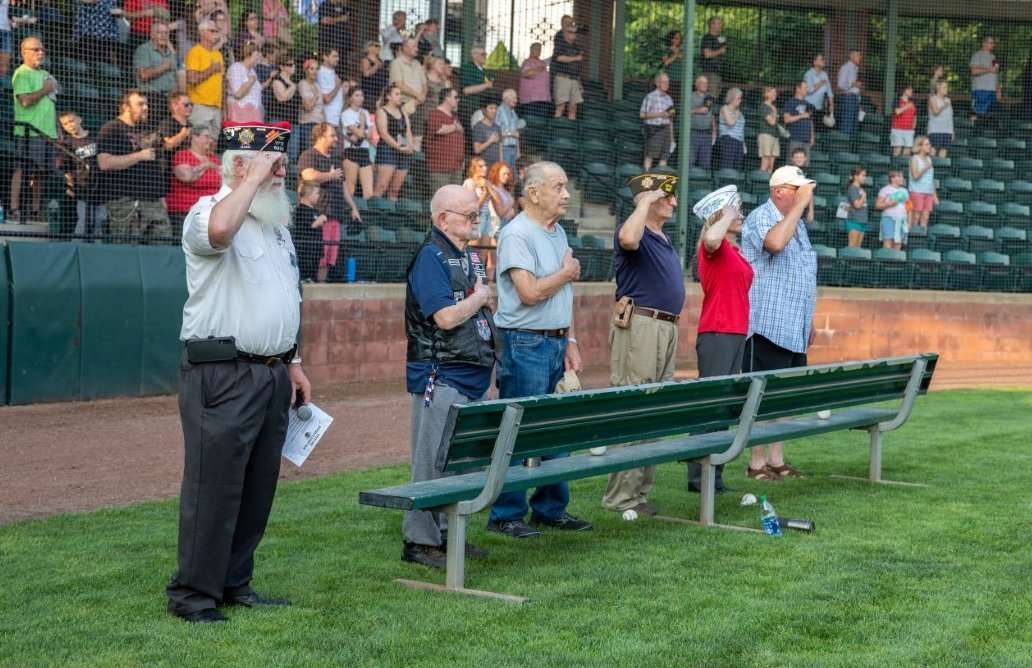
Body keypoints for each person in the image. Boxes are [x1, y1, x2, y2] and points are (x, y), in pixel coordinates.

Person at [167, 121, 310, 624]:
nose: (282, 171)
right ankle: (192, 595)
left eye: (282, 163)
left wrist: (292, 363)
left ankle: (233, 583)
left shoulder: (276, 227)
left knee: (256, 487)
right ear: (239, 166)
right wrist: (251, 180)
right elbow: (220, 233)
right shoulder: (207, 211)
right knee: (214, 487)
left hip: (270, 374)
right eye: (273, 163)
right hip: (222, 372)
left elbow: (286, 296)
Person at [487, 161, 592, 539]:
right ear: (534, 193)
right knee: (519, 428)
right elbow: (530, 293)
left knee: (557, 430)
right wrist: (567, 273)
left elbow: (563, 293)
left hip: (556, 339)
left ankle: (550, 509)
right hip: (526, 341)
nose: (566, 195)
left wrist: (572, 341)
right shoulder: (517, 234)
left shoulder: (558, 231)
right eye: (558, 187)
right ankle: (505, 514)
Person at [402, 184, 497, 568]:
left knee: (461, 461)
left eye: (477, 215)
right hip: (439, 374)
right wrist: (481, 297)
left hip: (473, 372)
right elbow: (445, 317)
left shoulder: (471, 257)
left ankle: (447, 535)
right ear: (443, 218)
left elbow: (483, 312)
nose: (476, 221)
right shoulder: (430, 256)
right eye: (469, 215)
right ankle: (419, 541)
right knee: (431, 461)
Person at [602, 173, 686, 514]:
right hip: (641, 325)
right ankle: (619, 497)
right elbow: (627, 237)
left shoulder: (662, 237)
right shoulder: (634, 229)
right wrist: (645, 201)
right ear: (647, 198)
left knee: (656, 411)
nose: (674, 202)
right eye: (666, 196)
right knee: (634, 406)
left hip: (665, 328)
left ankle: (639, 494)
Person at [741, 165, 817, 481]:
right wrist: (800, 206)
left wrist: (807, 319)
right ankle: (756, 464)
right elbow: (773, 244)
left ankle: (776, 460)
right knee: (761, 397)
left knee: (783, 399)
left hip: (793, 326)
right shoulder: (762, 215)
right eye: (796, 189)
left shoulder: (798, 225)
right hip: (767, 326)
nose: (803, 194)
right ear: (779, 191)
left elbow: (804, 273)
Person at [688, 189, 752, 493]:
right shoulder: (712, 245)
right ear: (719, 215)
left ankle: (714, 474)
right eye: (734, 211)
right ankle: (699, 477)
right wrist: (727, 216)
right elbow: (711, 239)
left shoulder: (733, 248)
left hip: (735, 332)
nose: (740, 215)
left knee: (724, 407)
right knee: (710, 405)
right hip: (718, 332)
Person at [97, 90, 172, 240]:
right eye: (140, 104)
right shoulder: (112, 128)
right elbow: (104, 163)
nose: (145, 108)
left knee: (162, 246)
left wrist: (161, 197)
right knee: (128, 250)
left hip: (154, 203)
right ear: (126, 107)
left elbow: (157, 166)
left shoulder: (149, 130)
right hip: (126, 202)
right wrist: (139, 155)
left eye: (146, 104)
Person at [299, 122, 361, 279]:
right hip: (318, 215)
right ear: (320, 137)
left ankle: (322, 287)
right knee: (319, 255)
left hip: (336, 215)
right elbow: (308, 176)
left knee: (329, 258)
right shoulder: (309, 155)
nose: (335, 139)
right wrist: (330, 175)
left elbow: (343, 185)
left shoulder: (336, 159)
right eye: (332, 135)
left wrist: (353, 207)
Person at [9, 36, 57, 223]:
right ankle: (14, 208)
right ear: (24, 52)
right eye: (35, 49)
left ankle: (36, 210)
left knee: (41, 173)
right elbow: (25, 100)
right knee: (23, 170)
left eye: (42, 49)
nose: (40, 53)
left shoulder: (45, 74)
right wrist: (45, 89)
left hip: (48, 133)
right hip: (29, 132)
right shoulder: (22, 73)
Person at [58, 111, 105, 240]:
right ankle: (77, 246)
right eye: (65, 124)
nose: (70, 125)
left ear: (79, 119)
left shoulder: (95, 137)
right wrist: (70, 187)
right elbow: (66, 170)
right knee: (84, 220)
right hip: (82, 187)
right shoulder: (67, 144)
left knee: (99, 219)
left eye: (71, 121)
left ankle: (97, 249)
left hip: (100, 185)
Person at [167, 125, 221, 233]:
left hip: (210, 214)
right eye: (206, 136)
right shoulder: (182, 155)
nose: (210, 140)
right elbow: (187, 177)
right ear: (194, 137)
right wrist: (205, 165)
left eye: (211, 137)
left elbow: (223, 179)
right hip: (186, 211)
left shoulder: (213, 158)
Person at [373, 84, 415, 200]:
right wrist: (399, 147)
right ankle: (373, 213)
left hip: (403, 151)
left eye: (400, 94)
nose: (400, 97)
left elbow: (408, 131)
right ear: (388, 96)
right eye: (397, 94)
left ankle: (391, 214)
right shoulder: (382, 111)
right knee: (382, 186)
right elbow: (383, 134)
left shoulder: (403, 112)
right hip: (388, 150)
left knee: (395, 189)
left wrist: (409, 146)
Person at [185, 19, 224, 135]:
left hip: (217, 107)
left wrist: (224, 108)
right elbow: (191, 79)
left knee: (212, 144)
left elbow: (222, 84)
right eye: (212, 31)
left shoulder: (218, 54)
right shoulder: (195, 52)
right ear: (202, 33)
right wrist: (211, 70)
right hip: (199, 106)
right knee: (199, 142)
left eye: (217, 31)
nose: (216, 34)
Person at [133, 20, 177, 121]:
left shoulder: (171, 53)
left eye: (166, 33)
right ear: (152, 35)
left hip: (170, 99)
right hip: (152, 98)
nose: (163, 36)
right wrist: (164, 67)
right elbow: (143, 75)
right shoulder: (144, 49)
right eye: (159, 33)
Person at [389, 37, 427, 151]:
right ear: (404, 48)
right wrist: (417, 95)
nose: (417, 49)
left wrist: (422, 96)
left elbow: (424, 84)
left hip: (419, 105)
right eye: (414, 46)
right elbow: (399, 84)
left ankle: (413, 164)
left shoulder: (417, 64)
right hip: (403, 106)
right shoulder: (397, 63)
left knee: (418, 138)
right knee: (403, 137)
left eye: (417, 46)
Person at [424, 87, 465, 193]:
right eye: (456, 97)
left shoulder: (455, 116)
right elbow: (438, 129)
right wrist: (455, 127)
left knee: (454, 201)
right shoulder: (435, 113)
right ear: (447, 98)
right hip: (440, 168)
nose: (458, 100)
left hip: (456, 167)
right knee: (442, 200)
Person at [340, 87, 374, 199]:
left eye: (362, 96)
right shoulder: (346, 114)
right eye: (357, 95)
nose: (360, 98)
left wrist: (360, 133)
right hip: (351, 152)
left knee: (369, 191)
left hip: (364, 151)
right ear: (350, 98)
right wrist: (363, 123)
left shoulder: (366, 112)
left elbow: (369, 135)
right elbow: (359, 134)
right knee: (350, 187)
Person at [266, 54, 300, 163]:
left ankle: (288, 178)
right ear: (281, 67)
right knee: (278, 154)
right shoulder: (277, 80)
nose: (293, 67)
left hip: (293, 122)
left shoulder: (293, 82)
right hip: (279, 121)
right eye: (289, 65)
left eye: (293, 64)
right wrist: (293, 87)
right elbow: (282, 97)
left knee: (292, 154)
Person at [640, 72, 675, 170]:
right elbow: (642, 115)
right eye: (664, 82)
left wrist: (672, 138)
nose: (666, 84)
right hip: (653, 129)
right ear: (657, 83)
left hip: (666, 129)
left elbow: (671, 118)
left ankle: (660, 179)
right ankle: (646, 176)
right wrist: (660, 114)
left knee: (665, 156)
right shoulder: (650, 97)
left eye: (667, 82)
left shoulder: (669, 99)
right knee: (650, 155)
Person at [551, 18, 584, 120]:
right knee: (561, 106)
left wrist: (579, 82)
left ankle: (570, 131)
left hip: (574, 79)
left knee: (573, 107)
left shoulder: (576, 46)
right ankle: (556, 129)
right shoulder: (560, 41)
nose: (573, 34)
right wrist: (575, 58)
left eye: (574, 32)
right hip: (563, 78)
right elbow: (559, 58)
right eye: (570, 32)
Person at [293, 180, 326, 282]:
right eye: (316, 193)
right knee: (304, 276)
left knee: (313, 277)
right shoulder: (301, 210)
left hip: (315, 251)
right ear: (308, 195)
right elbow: (310, 225)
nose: (318, 196)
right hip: (305, 251)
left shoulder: (315, 210)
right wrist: (319, 220)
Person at [226, 41, 264, 123]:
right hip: (240, 114)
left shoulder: (252, 71)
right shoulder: (236, 68)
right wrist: (250, 81)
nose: (259, 58)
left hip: (254, 114)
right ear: (249, 54)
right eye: (257, 55)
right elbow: (237, 94)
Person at [908, 137, 938, 233]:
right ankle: (913, 235)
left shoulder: (929, 159)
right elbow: (915, 176)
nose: (929, 146)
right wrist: (925, 168)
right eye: (926, 144)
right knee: (916, 216)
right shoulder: (914, 158)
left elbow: (930, 179)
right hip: (917, 192)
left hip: (928, 192)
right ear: (920, 146)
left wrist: (935, 196)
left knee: (925, 216)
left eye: (929, 144)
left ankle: (922, 236)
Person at [970, 35, 1000, 123]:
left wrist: (998, 89)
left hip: (992, 90)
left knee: (990, 115)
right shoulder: (977, 55)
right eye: (991, 43)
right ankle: (975, 134)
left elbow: (995, 74)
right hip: (981, 89)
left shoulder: (993, 57)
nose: (993, 45)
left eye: (993, 43)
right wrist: (989, 69)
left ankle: (986, 135)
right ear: (984, 44)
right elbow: (974, 71)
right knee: (979, 113)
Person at [298, 58, 326, 154]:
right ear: (306, 70)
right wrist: (315, 96)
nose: (315, 72)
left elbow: (321, 108)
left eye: (317, 69)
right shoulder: (303, 84)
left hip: (319, 124)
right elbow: (308, 107)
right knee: (309, 154)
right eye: (312, 69)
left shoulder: (317, 86)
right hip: (308, 124)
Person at [460, 45, 493, 126]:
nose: (485, 56)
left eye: (486, 54)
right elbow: (466, 90)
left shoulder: (484, 71)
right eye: (483, 54)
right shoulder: (467, 68)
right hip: (470, 107)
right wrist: (485, 85)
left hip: (483, 107)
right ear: (474, 55)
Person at [876, 170, 909, 250]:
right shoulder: (885, 190)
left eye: (902, 177)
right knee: (888, 243)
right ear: (893, 178)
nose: (902, 179)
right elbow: (877, 205)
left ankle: (895, 262)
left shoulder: (905, 191)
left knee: (898, 244)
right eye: (900, 176)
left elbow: (909, 207)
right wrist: (890, 204)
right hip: (888, 219)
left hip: (901, 221)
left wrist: (909, 222)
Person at [689, 75, 716, 170]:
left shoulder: (710, 97)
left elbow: (712, 115)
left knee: (705, 162)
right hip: (693, 132)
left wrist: (714, 131)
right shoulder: (690, 96)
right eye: (702, 82)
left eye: (706, 83)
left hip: (707, 134)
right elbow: (684, 112)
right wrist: (698, 110)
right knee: (690, 160)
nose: (705, 85)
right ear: (696, 84)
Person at [782, 81, 814, 159]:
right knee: (793, 165)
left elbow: (810, 122)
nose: (807, 89)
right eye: (805, 88)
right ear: (798, 89)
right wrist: (801, 116)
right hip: (795, 138)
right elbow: (786, 119)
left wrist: (812, 137)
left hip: (806, 139)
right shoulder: (790, 102)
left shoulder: (808, 104)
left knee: (804, 165)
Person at [463, 157, 492, 241]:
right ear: (473, 169)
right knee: (474, 250)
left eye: (485, 166)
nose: (485, 168)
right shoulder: (469, 182)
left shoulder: (486, 182)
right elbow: (474, 208)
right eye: (481, 166)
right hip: (476, 218)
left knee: (485, 249)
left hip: (487, 217)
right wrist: (485, 193)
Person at [317, 48, 346, 130]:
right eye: (334, 56)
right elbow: (326, 98)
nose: (337, 59)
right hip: (327, 119)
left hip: (337, 119)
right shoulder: (321, 72)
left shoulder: (334, 73)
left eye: (338, 56)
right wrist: (337, 86)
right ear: (325, 57)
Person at [717, 87, 746, 171]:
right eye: (738, 98)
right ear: (732, 98)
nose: (740, 100)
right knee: (727, 165)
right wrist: (737, 114)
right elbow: (730, 123)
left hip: (739, 142)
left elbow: (741, 129)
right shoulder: (725, 108)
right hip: (728, 140)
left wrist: (743, 144)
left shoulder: (739, 111)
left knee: (738, 167)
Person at [518, 42, 550, 118]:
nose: (538, 51)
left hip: (543, 99)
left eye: (540, 49)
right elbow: (528, 74)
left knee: (541, 122)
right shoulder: (527, 62)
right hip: (531, 100)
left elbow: (550, 60)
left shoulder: (541, 62)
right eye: (536, 49)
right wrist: (540, 68)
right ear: (531, 50)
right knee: (532, 122)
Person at [836, 50, 863, 137]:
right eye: (858, 55)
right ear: (851, 56)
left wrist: (859, 101)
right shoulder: (845, 68)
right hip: (848, 98)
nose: (860, 57)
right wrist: (852, 84)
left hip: (855, 99)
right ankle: (843, 147)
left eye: (860, 55)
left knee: (854, 126)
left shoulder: (856, 69)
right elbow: (840, 85)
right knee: (847, 124)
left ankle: (851, 149)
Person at [804, 53, 834, 130]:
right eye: (821, 59)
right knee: (809, 129)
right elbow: (809, 90)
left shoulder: (824, 74)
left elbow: (829, 91)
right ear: (814, 62)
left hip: (820, 108)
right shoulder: (808, 74)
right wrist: (820, 83)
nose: (823, 61)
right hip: (809, 106)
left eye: (823, 59)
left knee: (818, 130)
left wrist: (831, 104)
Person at [472, 94, 503, 167]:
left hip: (496, 166)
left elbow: (500, 147)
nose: (494, 111)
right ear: (483, 110)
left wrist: (501, 164)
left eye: (496, 108)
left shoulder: (497, 127)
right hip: (483, 166)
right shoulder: (478, 127)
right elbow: (476, 150)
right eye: (491, 108)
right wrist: (490, 140)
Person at [699, 16, 726, 98]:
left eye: (720, 23)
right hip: (709, 72)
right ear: (712, 25)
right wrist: (719, 51)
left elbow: (724, 50)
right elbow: (707, 54)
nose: (720, 25)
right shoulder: (707, 38)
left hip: (718, 73)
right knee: (710, 96)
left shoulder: (721, 38)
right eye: (718, 23)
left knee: (715, 96)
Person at [496, 89, 522, 172]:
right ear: (505, 99)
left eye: (516, 98)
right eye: (513, 98)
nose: (516, 100)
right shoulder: (499, 111)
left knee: (513, 174)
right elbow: (496, 132)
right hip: (503, 148)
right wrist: (510, 134)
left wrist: (518, 152)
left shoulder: (514, 114)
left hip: (514, 149)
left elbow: (516, 134)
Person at [928, 79, 954, 158]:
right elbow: (935, 112)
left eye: (947, 87)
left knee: (944, 150)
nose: (947, 89)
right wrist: (944, 106)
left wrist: (952, 131)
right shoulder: (933, 98)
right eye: (944, 87)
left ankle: (939, 168)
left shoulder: (948, 100)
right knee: (933, 149)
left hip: (947, 130)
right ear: (938, 88)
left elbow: (950, 117)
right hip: (935, 130)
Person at [789, 148, 815, 225]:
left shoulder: (809, 172)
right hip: (790, 207)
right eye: (796, 157)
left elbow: (810, 192)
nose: (799, 159)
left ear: (805, 158)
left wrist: (811, 210)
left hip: (803, 207)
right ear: (792, 159)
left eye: (801, 157)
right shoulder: (787, 171)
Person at [359, 40, 388, 110]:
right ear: (369, 48)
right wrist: (375, 66)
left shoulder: (380, 60)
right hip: (369, 93)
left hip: (380, 93)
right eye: (376, 46)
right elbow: (366, 74)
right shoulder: (365, 60)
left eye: (379, 46)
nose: (379, 47)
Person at [844, 165, 868, 248]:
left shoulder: (860, 189)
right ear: (855, 176)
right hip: (854, 221)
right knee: (852, 247)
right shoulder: (852, 188)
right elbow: (857, 205)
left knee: (858, 248)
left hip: (862, 221)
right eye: (863, 175)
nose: (864, 178)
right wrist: (863, 196)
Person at [757, 86, 779, 173]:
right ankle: (760, 180)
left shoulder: (774, 107)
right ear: (766, 94)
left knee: (771, 164)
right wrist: (774, 112)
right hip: (765, 135)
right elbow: (772, 122)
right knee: (765, 162)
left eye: (775, 92)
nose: (775, 94)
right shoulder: (763, 106)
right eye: (772, 92)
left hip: (774, 136)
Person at [890, 85, 916, 156]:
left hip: (909, 130)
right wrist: (907, 106)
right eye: (909, 89)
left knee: (907, 152)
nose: (911, 91)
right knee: (897, 151)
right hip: (897, 130)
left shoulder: (913, 102)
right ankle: (895, 167)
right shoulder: (897, 100)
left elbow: (915, 115)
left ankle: (903, 166)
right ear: (904, 90)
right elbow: (897, 112)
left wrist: (913, 127)